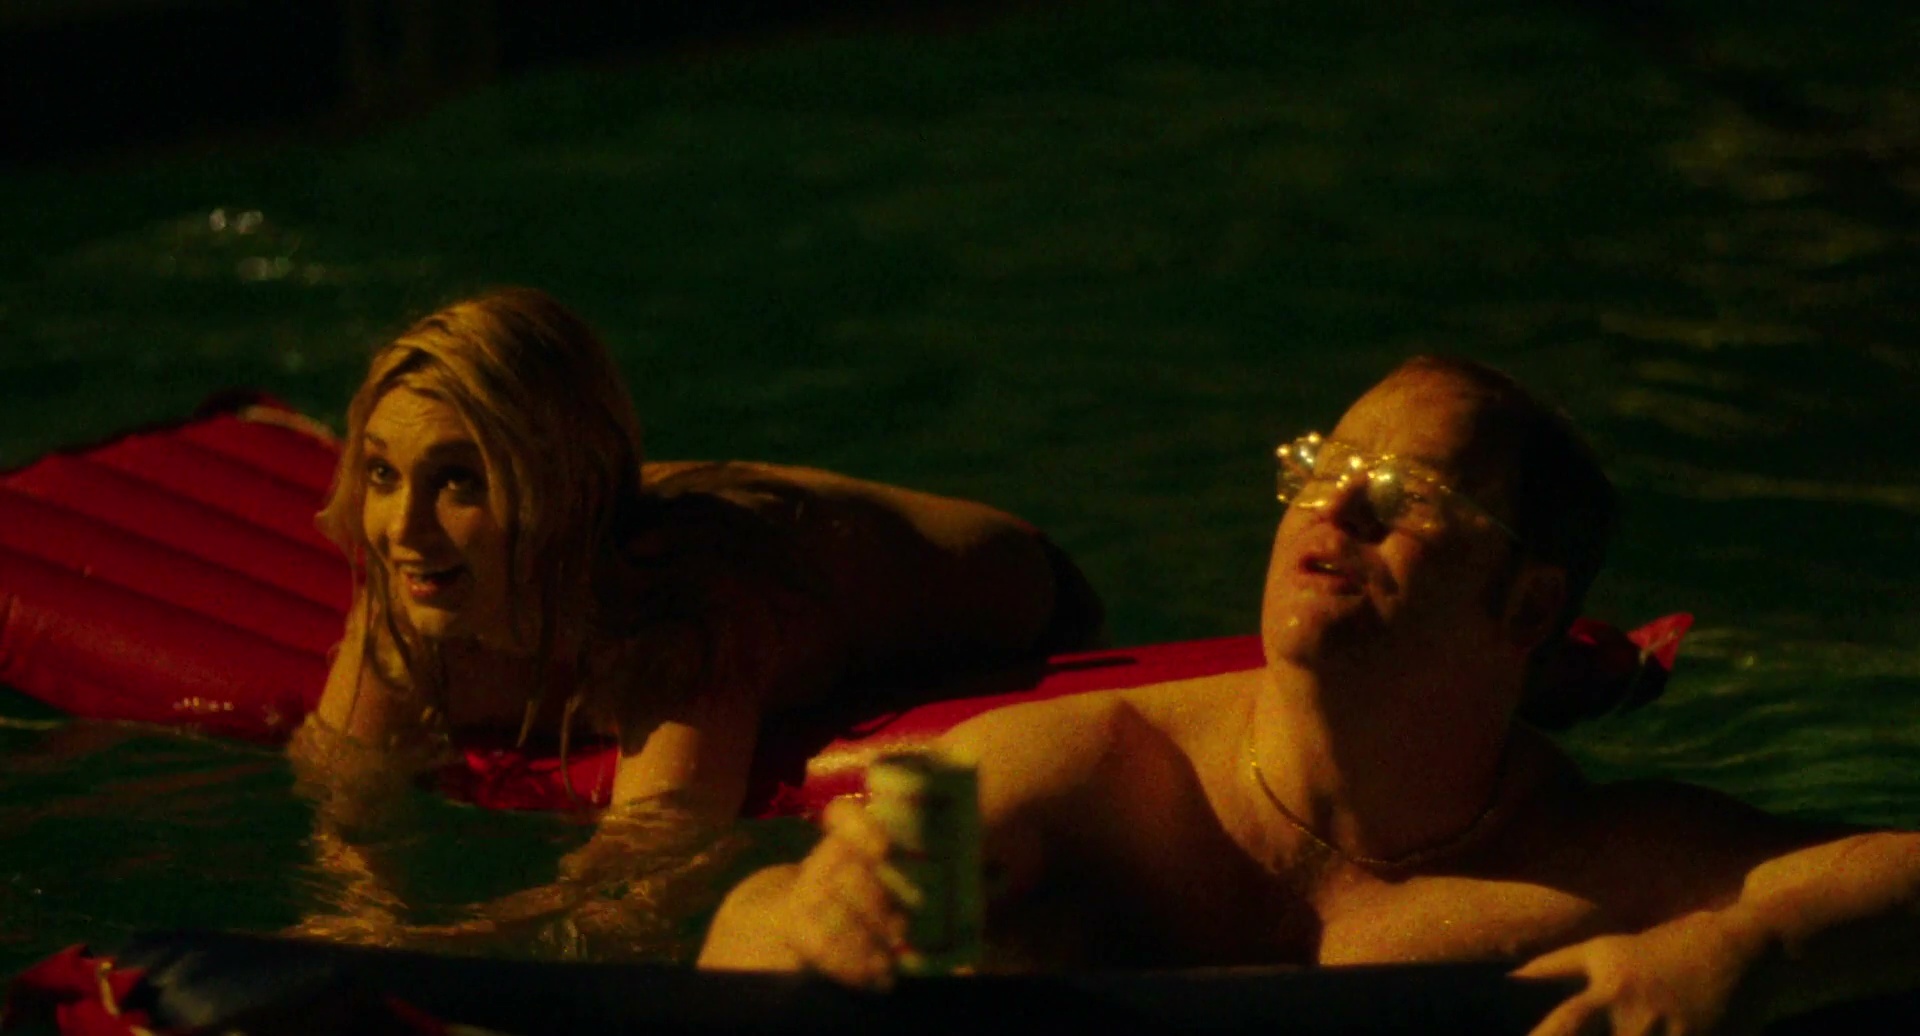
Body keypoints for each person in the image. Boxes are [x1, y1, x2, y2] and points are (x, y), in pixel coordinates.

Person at [697, 355, 1920, 1034]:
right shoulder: (1093, 771)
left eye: (1401, 494)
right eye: (1321, 470)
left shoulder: (1582, 863)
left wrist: (1749, 949)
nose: (1332, 508)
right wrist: (819, 919)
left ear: (1526, 606)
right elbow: (759, 916)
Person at [286, 286, 1102, 952]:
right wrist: (361, 913)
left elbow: (644, 881)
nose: (401, 527)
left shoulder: (684, 616)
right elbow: (338, 785)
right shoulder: (420, 577)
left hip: (1024, 604)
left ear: (557, 489)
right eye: (384, 473)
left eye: (460, 481)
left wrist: (437, 950)